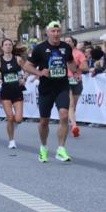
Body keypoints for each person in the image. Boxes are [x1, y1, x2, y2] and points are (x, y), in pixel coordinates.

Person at [23, 21, 80, 162]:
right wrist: (40, 72)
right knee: (44, 121)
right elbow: (26, 66)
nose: (56, 34)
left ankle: (61, 149)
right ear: (47, 33)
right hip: (46, 89)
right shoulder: (40, 48)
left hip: (62, 87)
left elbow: (72, 64)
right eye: (53, 31)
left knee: (64, 115)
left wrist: (75, 68)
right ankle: (43, 147)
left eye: (58, 31)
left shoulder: (66, 47)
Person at [0, 38, 26, 153]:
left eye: (10, 45)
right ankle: (11, 140)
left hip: (17, 91)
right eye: (5, 45)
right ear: (2, 48)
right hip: (6, 92)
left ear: (12, 47)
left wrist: (24, 78)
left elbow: (27, 70)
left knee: (19, 119)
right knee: (10, 117)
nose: (8, 46)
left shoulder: (18, 59)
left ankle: (13, 126)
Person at [64, 36, 89, 138]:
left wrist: (76, 67)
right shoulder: (61, 53)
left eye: (69, 41)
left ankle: (69, 122)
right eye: (66, 41)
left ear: (73, 43)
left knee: (73, 105)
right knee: (70, 105)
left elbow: (86, 67)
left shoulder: (78, 53)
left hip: (77, 80)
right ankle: (74, 126)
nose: (68, 43)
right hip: (65, 80)